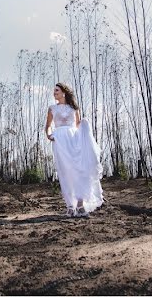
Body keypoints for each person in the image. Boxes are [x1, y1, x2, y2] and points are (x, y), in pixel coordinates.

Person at [44, 82, 103, 218]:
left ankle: (80, 205)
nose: (54, 93)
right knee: (65, 172)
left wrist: (85, 124)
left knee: (79, 170)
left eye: (57, 90)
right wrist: (49, 135)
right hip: (59, 141)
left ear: (64, 92)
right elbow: (47, 126)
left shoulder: (73, 108)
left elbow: (77, 125)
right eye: (54, 91)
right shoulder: (52, 108)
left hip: (73, 139)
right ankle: (70, 206)